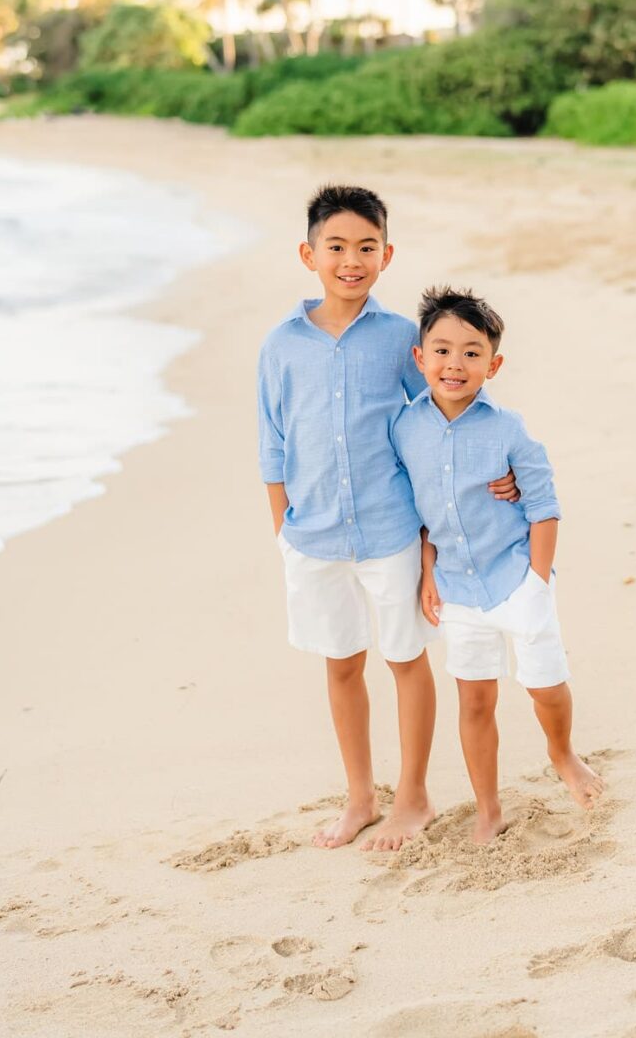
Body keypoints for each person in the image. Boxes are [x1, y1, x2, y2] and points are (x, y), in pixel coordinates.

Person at [256, 187, 519, 851]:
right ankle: (358, 797)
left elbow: (441, 423)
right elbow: (272, 440)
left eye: (366, 248)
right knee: (341, 663)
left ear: (386, 255)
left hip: (392, 531)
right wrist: (283, 527)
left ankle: (413, 796)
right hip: (312, 536)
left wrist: (486, 490)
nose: (351, 260)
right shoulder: (280, 345)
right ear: (308, 254)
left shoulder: (405, 338)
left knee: (405, 659)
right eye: (336, 247)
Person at [392, 285, 600, 844]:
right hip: (457, 589)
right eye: (440, 350)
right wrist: (428, 573)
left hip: (515, 578)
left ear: (493, 363)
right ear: (420, 358)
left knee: (544, 683)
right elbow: (420, 513)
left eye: (470, 352)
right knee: (474, 698)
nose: (454, 363)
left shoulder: (507, 428)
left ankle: (563, 753)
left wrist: (538, 581)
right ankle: (489, 808)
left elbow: (544, 506)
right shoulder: (405, 428)